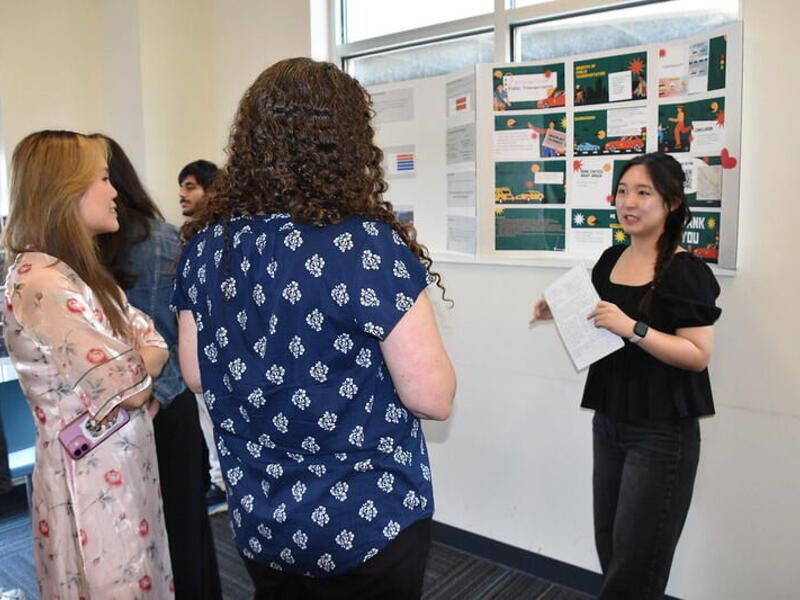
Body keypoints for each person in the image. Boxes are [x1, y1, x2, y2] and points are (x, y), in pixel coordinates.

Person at [173, 57, 456, 599]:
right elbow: (432, 397)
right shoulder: (367, 247)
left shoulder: (206, 246)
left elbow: (196, 375)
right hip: (365, 521)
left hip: (262, 517)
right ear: (347, 144)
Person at [533, 152, 721, 599]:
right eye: (622, 191)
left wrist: (634, 328)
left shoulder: (685, 270)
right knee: (613, 550)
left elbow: (697, 354)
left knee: (637, 565)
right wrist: (557, 311)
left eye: (643, 192)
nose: (628, 202)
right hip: (611, 421)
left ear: (672, 203)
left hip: (661, 434)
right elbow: (600, 320)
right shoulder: (611, 258)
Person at [2, 130, 173, 598]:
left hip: (120, 469)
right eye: (102, 178)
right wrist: (138, 367)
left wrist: (136, 365)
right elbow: (134, 385)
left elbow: (153, 341)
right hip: (91, 481)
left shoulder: (80, 278)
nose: (115, 190)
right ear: (65, 190)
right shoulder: (44, 283)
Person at [95, 135, 223, 599]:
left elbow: (171, 340)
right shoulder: (80, 251)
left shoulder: (158, 240)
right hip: (142, 409)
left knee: (173, 535)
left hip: (154, 408)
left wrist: (152, 395)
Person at [178, 159, 227, 510]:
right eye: (181, 186)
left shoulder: (225, 236)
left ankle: (225, 484)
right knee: (207, 423)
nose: (182, 194)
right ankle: (219, 482)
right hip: (199, 352)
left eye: (191, 186)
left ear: (212, 190)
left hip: (221, 353)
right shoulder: (190, 238)